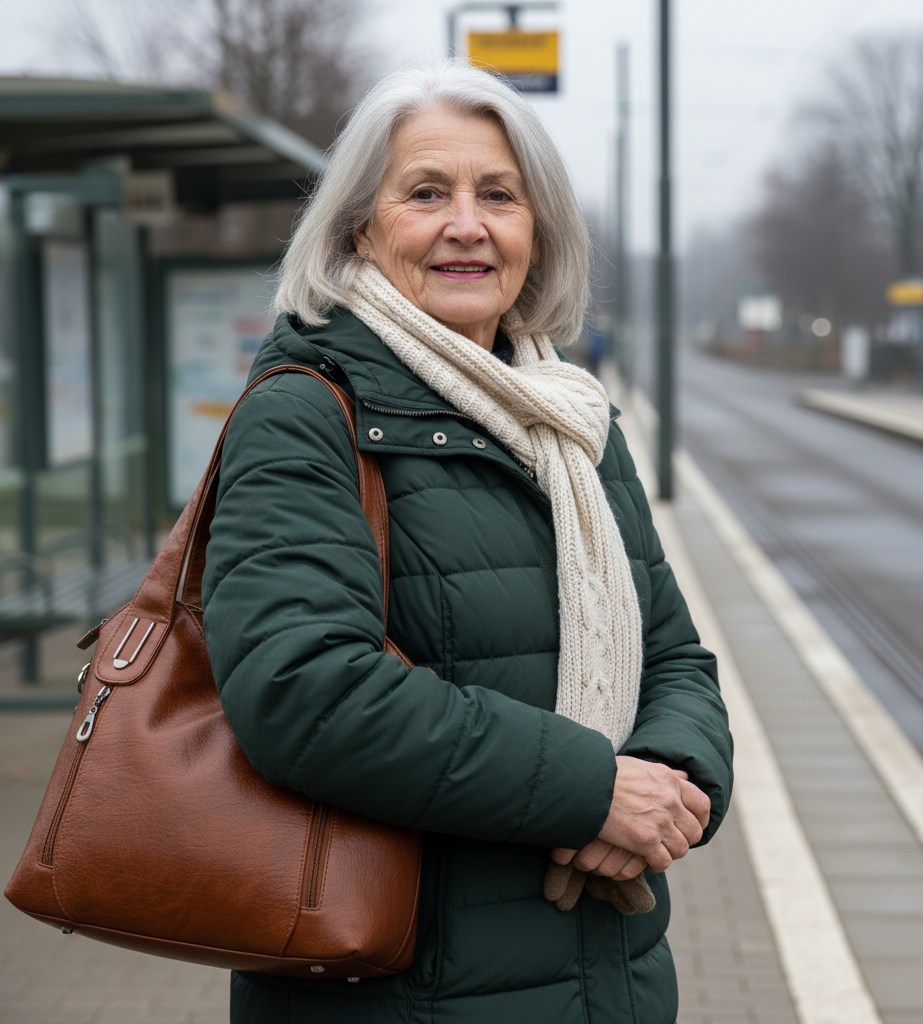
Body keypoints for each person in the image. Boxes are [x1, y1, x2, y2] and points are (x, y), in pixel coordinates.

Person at [203, 58, 732, 1024]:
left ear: (539, 231)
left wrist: (677, 778)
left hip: (608, 977)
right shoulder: (303, 414)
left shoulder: (572, 420)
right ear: (359, 225)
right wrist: (591, 793)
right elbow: (303, 690)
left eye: (500, 196)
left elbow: (675, 654)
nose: (467, 225)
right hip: (397, 987)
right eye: (426, 193)